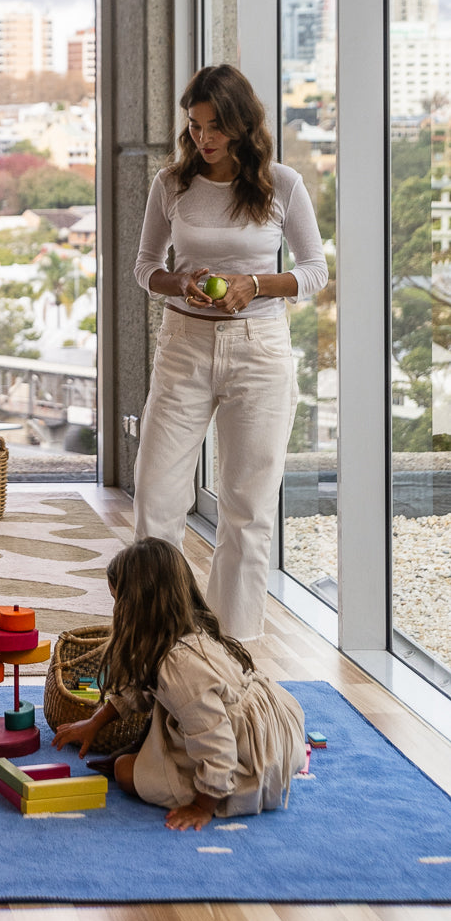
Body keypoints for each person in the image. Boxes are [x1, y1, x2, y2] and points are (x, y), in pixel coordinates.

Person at [132, 63, 327, 640]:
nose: (203, 137)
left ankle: (231, 646)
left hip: (259, 350)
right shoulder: (171, 184)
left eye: (215, 125)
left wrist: (257, 283)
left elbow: (315, 271)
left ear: (243, 124)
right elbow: (146, 268)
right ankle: (157, 638)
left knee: (247, 506)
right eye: (194, 125)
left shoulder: (282, 185)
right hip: (184, 345)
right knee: (155, 496)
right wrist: (181, 280)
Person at [54, 538, 306, 830]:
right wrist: (96, 721)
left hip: (251, 760)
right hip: (251, 733)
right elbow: (139, 688)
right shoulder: (178, 634)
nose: (115, 611)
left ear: (137, 606)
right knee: (139, 754)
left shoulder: (179, 669)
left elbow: (218, 743)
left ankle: (220, 790)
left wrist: (202, 806)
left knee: (125, 771)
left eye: (117, 601)